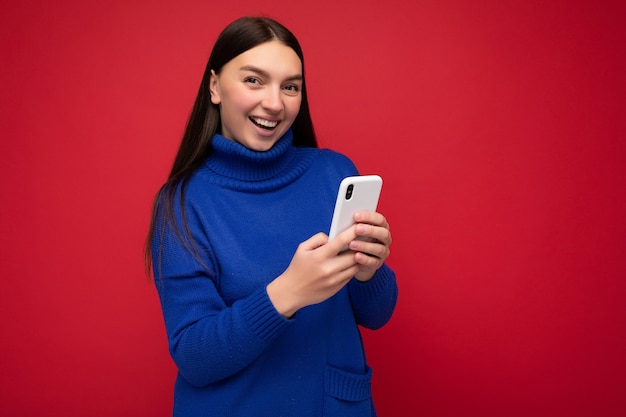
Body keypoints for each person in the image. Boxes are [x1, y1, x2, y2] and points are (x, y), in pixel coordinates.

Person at [145, 16, 398, 417]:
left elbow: (377, 314)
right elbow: (194, 356)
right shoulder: (181, 203)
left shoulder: (334, 173)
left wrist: (370, 270)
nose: (275, 103)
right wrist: (288, 293)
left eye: (290, 86)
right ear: (214, 86)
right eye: (253, 80)